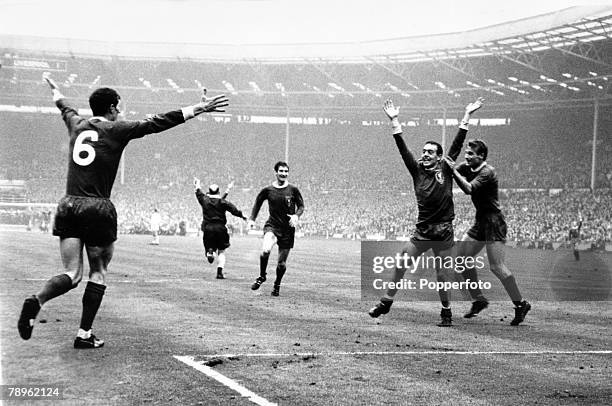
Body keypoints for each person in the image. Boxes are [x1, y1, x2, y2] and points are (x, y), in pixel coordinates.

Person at [17, 73, 228, 348]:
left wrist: (56, 91)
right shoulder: (116, 129)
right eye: (120, 107)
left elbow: (64, 105)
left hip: (68, 204)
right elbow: (158, 122)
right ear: (113, 108)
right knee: (98, 272)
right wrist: (199, 108)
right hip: (97, 207)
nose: (122, 111)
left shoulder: (76, 123)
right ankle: (84, 334)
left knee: (71, 274)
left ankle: (38, 299)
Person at [368, 98, 483, 326]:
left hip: (443, 232)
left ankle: (446, 313)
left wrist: (467, 115)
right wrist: (394, 120)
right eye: (424, 151)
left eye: (430, 151)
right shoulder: (416, 170)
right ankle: (386, 302)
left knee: (442, 276)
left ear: (439, 156)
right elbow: (402, 147)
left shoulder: (446, 167)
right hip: (422, 230)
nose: (426, 154)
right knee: (401, 262)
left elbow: (458, 143)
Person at [443, 139, 531, 325]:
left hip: (494, 222)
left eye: (471, 154)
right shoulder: (468, 166)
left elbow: (468, 189)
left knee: (496, 266)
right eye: (466, 153)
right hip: (481, 220)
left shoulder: (487, 172)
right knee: (461, 258)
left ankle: (520, 304)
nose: (466, 156)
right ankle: (478, 299)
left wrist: (451, 170)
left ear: (481, 156)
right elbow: (450, 170)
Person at [248, 161, 304, 297]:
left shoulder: (293, 190)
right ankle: (262, 276)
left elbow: (301, 206)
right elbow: (258, 203)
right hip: (272, 226)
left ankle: (277, 285)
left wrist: (296, 216)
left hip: (288, 230)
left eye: (286, 171)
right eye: (281, 171)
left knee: (281, 264)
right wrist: (252, 219)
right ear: (276, 172)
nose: (284, 174)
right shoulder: (268, 190)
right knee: (265, 250)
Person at [194, 178, 246, 279]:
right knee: (221, 251)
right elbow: (233, 210)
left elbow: (198, 192)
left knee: (210, 247)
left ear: (209, 192)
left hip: (208, 228)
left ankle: (210, 252)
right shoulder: (222, 202)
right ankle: (219, 272)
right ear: (218, 192)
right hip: (220, 228)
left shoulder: (204, 200)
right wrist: (242, 216)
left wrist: (197, 184)